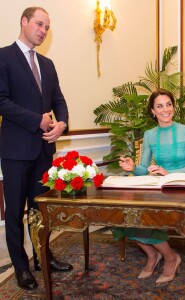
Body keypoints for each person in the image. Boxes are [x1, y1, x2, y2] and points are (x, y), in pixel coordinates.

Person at [0, 7, 73, 290]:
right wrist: (38, 121)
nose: (43, 31)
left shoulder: (48, 64)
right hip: (16, 151)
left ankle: (44, 257)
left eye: (47, 27)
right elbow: (2, 101)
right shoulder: (3, 57)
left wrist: (62, 123)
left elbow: (59, 100)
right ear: (24, 22)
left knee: (41, 211)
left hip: (44, 152)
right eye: (39, 24)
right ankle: (21, 267)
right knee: (17, 212)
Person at [117, 88, 185, 283]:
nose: (165, 110)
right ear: (153, 111)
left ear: (174, 107)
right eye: (160, 106)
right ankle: (153, 255)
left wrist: (168, 173)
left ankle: (171, 257)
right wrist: (133, 167)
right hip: (158, 186)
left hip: (182, 185)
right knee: (125, 216)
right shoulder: (149, 135)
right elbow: (144, 168)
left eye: (169, 104)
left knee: (149, 216)